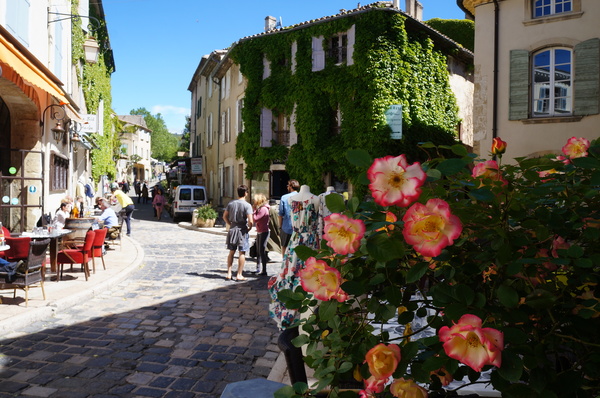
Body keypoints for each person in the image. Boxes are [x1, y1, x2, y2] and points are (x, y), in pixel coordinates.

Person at [269, 185, 320, 329]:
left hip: (297, 240)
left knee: (296, 274)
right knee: (298, 274)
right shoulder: (312, 199)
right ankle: (298, 310)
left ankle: (301, 310)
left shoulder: (297, 199)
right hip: (308, 240)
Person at [223, 185, 253, 281]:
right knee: (242, 252)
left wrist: (230, 224)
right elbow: (250, 221)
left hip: (232, 229)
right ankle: (239, 274)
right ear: (245, 193)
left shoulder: (231, 203)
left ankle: (229, 273)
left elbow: (224, 216)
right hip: (242, 230)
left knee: (231, 252)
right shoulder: (247, 205)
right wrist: (249, 228)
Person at [278, 179, 300, 253]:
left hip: (286, 226)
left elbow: (280, 214)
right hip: (298, 226)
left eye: (288, 185)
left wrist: (280, 226)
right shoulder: (301, 197)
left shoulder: (284, 197)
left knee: (284, 246)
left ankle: (284, 263)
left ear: (290, 187)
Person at [252, 193, 270, 276]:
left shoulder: (263, 209)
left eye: (255, 199)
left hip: (264, 231)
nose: (254, 201)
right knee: (258, 251)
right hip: (260, 231)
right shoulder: (261, 208)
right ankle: (258, 268)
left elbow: (255, 219)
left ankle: (264, 270)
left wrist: (254, 210)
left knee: (261, 251)